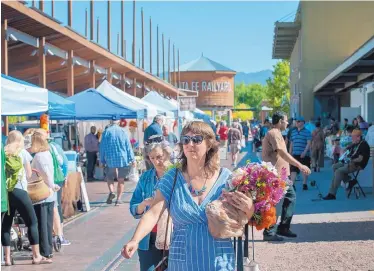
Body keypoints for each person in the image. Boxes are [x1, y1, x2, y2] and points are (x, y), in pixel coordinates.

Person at [122, 121, 254, 270]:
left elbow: (243, 217)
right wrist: (135, 240)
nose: (190, 144)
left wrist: (250, 210)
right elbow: (153, 213)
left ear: (209, 144)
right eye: (186, 139)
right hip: (182, 262)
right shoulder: (171, 178)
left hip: (219, 261)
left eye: (196, 139)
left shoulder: (227, 179)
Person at [2, 131, 52, 265]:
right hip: (20, 191)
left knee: (6, 225)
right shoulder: (22, 152)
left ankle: (6, 258)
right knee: (32, 222)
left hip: (7, 193)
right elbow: (29, 174)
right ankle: (37, 256)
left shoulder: (3, 152)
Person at [261, 112, 311, 241]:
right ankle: (269, 232)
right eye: (286, 120)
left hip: (282, 175)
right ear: (280, 121)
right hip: (275, 174)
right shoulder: (273, 133)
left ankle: (283, 228)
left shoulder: (278, 133)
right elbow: (282, 153)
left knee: (290, 197)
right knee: (275, 202)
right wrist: (300, 165)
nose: (288, 123)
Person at [129, 141, 172, 271]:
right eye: (152, 158)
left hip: (173, 236)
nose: (155, 161)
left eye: (159, 157)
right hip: (148, 238)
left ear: (167, 155)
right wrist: (143, 204)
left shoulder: (178, 174)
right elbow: (134, 207)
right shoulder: (146, 177)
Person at [30, 129, 59, 259]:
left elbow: (45, 174)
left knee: (42, 223)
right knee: (47, 222)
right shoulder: (47, 153)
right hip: (49, 193)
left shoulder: (39, 156)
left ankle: (44, 250)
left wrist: (52, 185)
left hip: (42, 193)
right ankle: (48, 249)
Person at [323, 129, 370, 200]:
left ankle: (332, 193)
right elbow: (345, 149)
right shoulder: (355, 143)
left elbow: (360, 159)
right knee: (334, 167)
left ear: (358, 137)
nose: (352, 139)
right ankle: (349, 181)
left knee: (338, 171)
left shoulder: (364, 145)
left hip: (356, 164)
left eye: (353, 137)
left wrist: (350, 160)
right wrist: (344, 151)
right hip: (349, 162)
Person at [100, 119, 135, 205]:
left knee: (110, 177)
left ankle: (112, 191)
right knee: (121, 180)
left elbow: (102, 147)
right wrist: (132, 159)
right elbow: (128, 146)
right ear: (119, 122)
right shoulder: (123, 131)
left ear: (110, 122)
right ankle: (118, 199)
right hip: (122, 158)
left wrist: (102, 160)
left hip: (110, 158)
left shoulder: (106, 132)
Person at [289, 116, 312, 190]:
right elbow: (291, 144)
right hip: (295, 154)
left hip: (304, 154)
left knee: (304, 169)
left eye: (298, 121)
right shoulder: (293, 132)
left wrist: (305, 152)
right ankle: (292, 185)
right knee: (293, 169)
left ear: (303, 123)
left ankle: (304, 184)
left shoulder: (307, 132)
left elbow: (309, 143)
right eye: (296, 121)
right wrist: (289, 154)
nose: (297, 123)